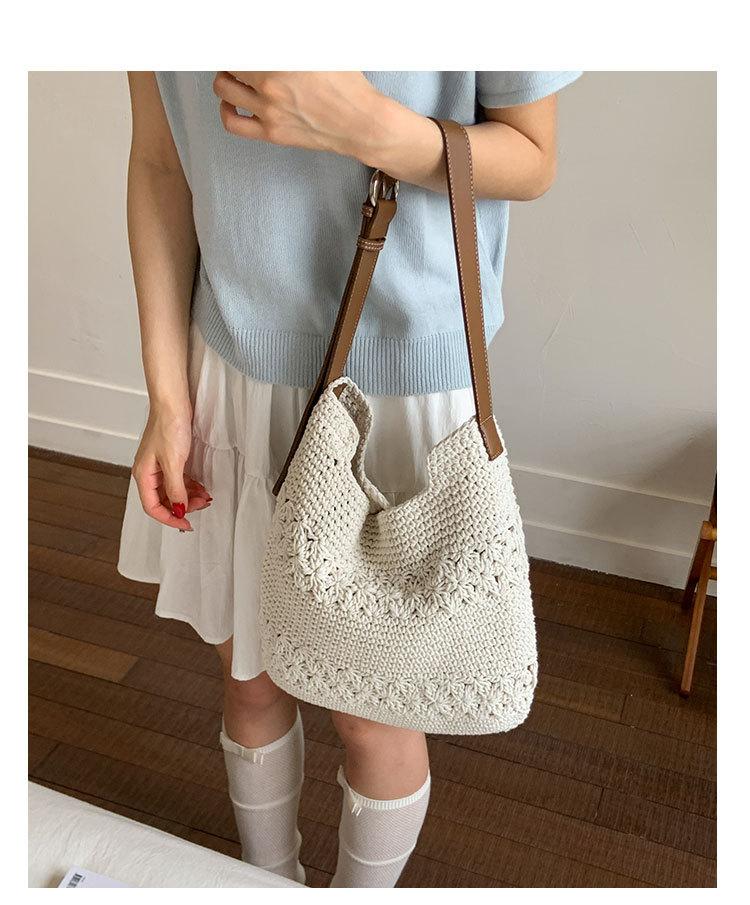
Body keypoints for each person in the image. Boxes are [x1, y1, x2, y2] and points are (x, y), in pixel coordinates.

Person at [118, 70, 581, 887]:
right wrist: (167, 395)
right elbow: (161, 161)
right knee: (249, 677)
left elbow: (532, 157)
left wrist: (369, 128)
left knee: (373, 717)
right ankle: (268, 880)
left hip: (401, 384)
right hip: (229, 362)